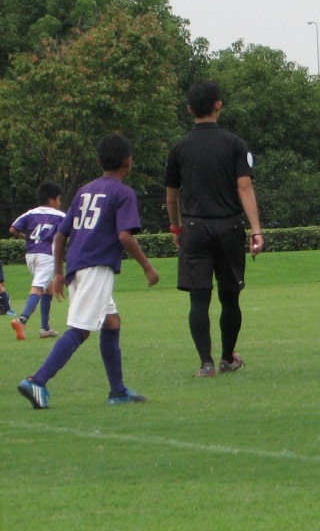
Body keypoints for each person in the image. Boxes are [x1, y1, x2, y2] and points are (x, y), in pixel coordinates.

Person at [17, 135, 158, 410]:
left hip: (77, 264)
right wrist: (148, 267)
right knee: (81, 329)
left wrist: (59, 273)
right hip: (97, 265)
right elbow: (124, 236)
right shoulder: (122, 193)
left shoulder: (84, 190)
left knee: (111, 321)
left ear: (99, 161)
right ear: (128, 161)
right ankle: (37, 381)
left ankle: (118, 391)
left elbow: (61, 234)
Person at [164, 80, 264, 377]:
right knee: (230, 297)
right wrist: (256, 230)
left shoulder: (179, 147)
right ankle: (227, 358)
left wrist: (177, 228)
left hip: (195, 227)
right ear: (218, 105)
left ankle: (206, 363)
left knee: (199, 298)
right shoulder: (234, 144)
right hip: (229, 225)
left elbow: (172, 196)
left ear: (189, 109)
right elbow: (244, 187)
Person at [9, 182, 66, 340]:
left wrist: (26, 238)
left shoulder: (30, 213)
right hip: (47, 255)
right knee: (38, 288)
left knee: (48, 288)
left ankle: (45, 329)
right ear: (51, 200)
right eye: (58, 199)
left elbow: (13, 229)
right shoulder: (60, 216)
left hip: (31, 255)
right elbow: (68, 233)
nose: (59, 202)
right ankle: (21, 321)